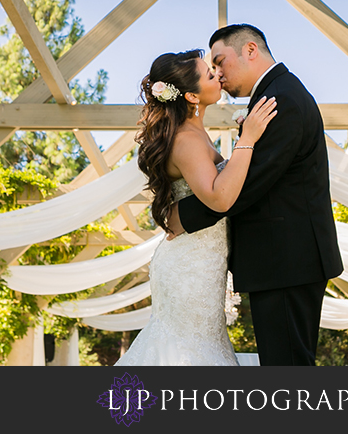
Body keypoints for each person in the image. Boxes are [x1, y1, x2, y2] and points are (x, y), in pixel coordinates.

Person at [167, 24, 344, 365]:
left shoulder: (280, 100)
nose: (218, 74)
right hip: (285, 260)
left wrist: (181, 216)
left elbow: (246, 186)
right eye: (212, 68)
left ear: (250, 50)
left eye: (220, 62)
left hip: (286, 260)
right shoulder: (277, 94)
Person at [115, 49, 277, 366]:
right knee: (189, 351)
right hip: (190, 266)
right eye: (208, 73)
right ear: (191, 95)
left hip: (203, 260)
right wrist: (249, 139)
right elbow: (218, 197)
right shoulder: (187, 138)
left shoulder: (193, 132)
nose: (217, 74)